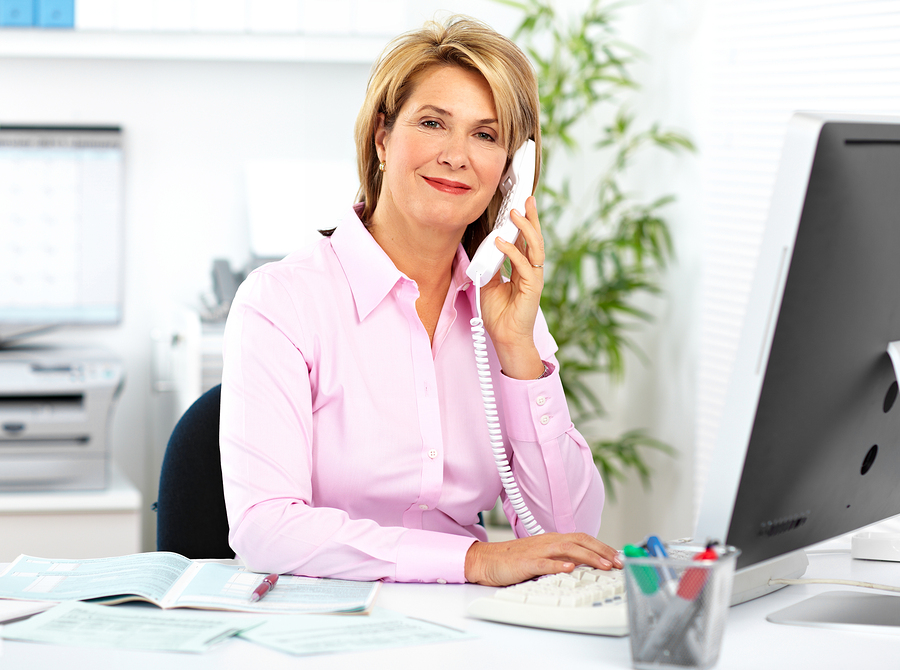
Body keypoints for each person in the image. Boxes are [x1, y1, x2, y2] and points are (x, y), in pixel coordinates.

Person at [219, 15, 623, 587]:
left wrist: (519, 354)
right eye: (434, 123)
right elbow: (265, 528)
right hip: (323, 623)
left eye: (486, 135)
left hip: (468, 627)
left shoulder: (501, 313)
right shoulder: (282, 303)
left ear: (511, 172)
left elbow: (566, 532)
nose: (457, 155)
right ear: (383, 137)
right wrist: (472, 560)